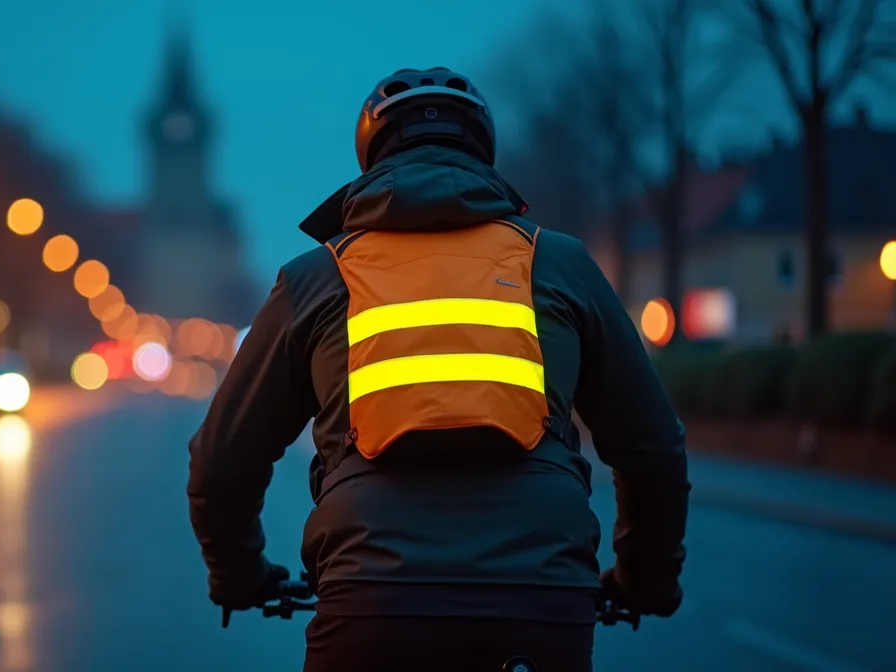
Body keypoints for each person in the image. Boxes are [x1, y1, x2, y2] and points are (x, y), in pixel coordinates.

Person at [186, 67, 690, 672]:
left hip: (370, 602)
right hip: (540, 597)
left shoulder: (316, 279)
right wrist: (644, 579)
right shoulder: (556, 263)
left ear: (371, 157)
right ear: (482, 151)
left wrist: (239, 575)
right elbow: (652, 449)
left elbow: (222, 461)